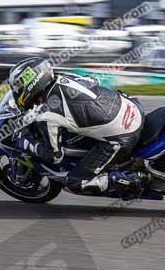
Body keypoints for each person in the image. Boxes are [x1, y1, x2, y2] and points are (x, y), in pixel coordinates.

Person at [8, 57, 144, 197]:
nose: (16, 93)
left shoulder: (46, 116)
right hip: (133, 107)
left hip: (123, 135)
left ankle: (130, 182)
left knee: (75, 183)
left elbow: (54, 157)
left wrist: (26, 143)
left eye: (18, 88)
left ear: (29, 87)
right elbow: (93, 80)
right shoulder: (66, 78)